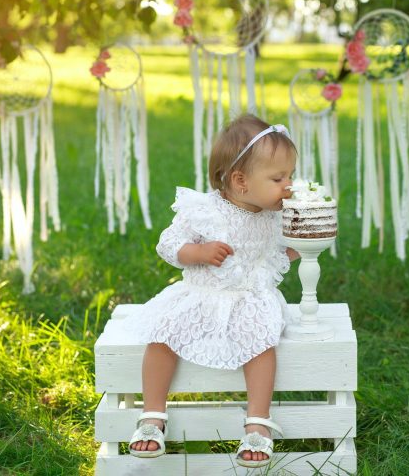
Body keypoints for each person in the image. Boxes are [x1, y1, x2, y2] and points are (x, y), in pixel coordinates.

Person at [128, 114, 299, 468]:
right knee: (162, 336)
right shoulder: (204, 210)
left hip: (249, 297)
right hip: (201, 294)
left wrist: (294, 250)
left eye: (290, 176)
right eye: (278, 178)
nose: (289, 185)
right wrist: (198, 253)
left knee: (261, 343)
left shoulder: (272, 215)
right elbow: (168, 243)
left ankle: (257, 423)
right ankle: (152, 415)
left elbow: (273, 253)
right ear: (240, 181)